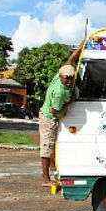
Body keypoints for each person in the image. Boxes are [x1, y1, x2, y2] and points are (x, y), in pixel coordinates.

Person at [39, 43, 83, 186]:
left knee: (55, 144)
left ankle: (55, 170)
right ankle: (46, 179)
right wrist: (70, 102)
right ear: (60, 77)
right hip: (50, 117)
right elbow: (54, 111)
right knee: (47, 146)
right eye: (66, 78)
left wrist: (83, 44)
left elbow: (71, 59)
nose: (69, 80)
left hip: (56, 116)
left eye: (71, 77)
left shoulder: (61, 74)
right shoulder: (59, 92)